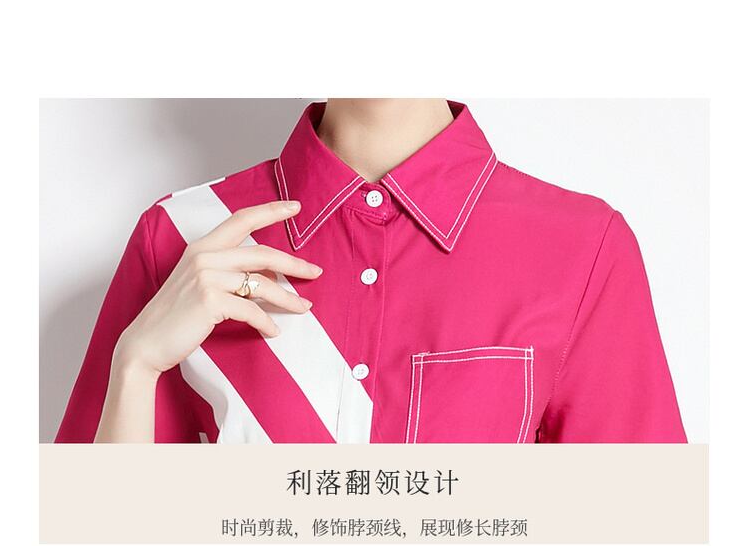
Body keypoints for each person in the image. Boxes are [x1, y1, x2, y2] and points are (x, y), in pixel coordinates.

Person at [55, 98, 687, 444]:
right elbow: (94, 528)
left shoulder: (581, 246)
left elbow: (641, 522)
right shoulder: (181, 235)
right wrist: (135, 364)